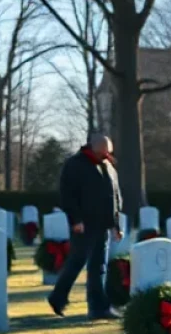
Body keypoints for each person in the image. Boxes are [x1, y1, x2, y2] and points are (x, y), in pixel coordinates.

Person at [49, 133, 123, 320]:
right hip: (84, 224)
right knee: (77, 262)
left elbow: (115, 197)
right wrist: (75, 220)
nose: (105, 156)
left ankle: (98, 308)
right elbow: (68, 195)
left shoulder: (108, 166)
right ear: (93, 149)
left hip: (103, 225)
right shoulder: (75, 165)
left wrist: (116, 225)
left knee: (99, 267)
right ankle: (57, 298)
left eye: (108, 153)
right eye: (102, 153)